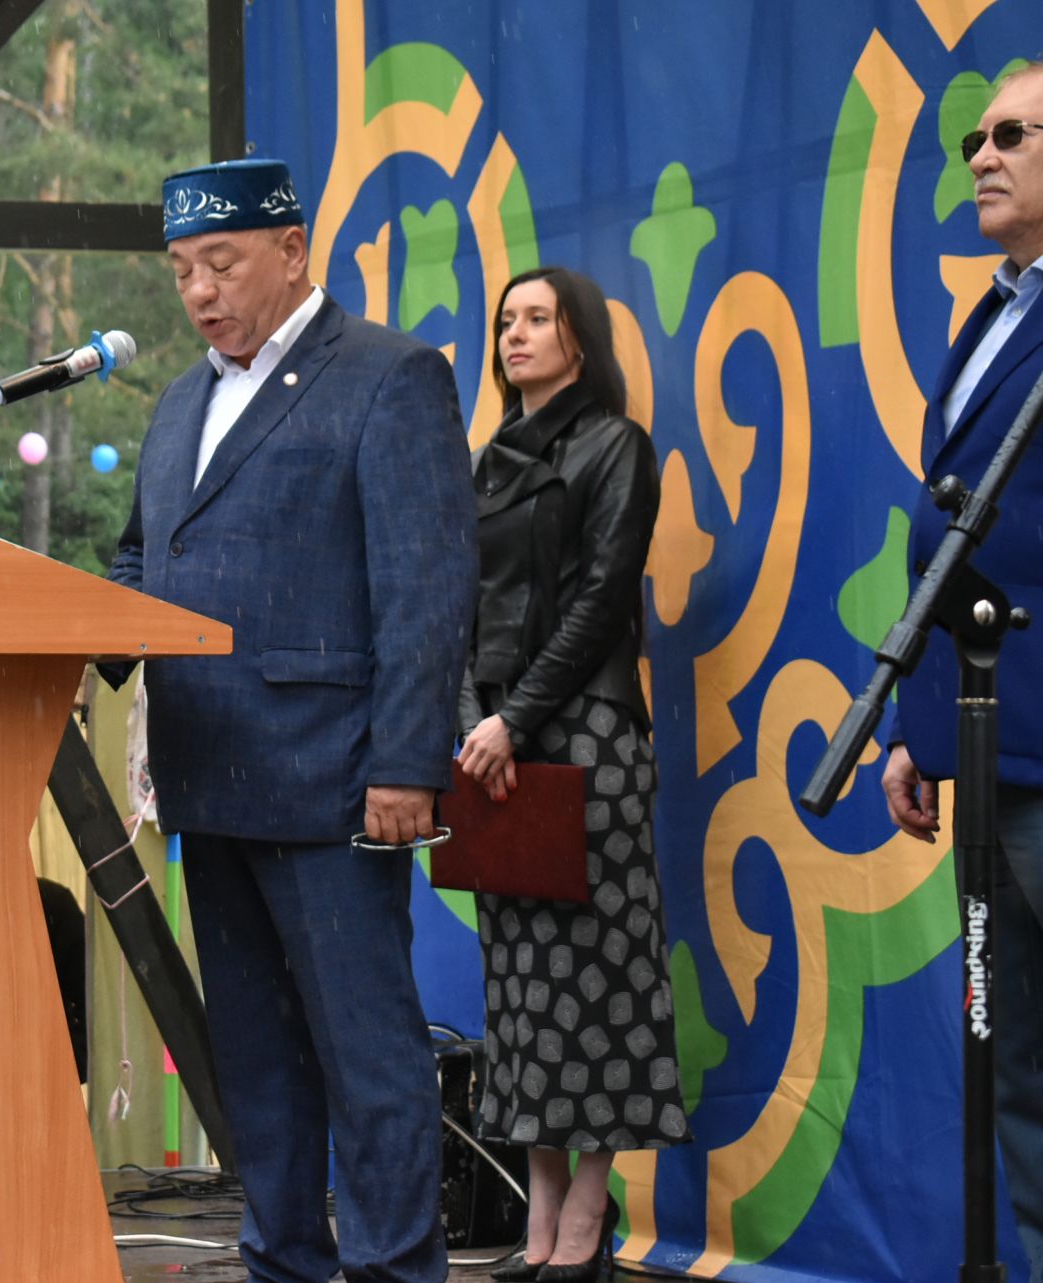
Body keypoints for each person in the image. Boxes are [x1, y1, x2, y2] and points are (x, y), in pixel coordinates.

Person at [106, 158, 477, 1283]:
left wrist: (409, 761)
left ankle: (393, 1268)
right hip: (209, 779)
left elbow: (427, 586)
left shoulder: (387, 375)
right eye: (181, 271)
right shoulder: (180, 402)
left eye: (220, 262)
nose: (201, 291)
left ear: (293, 248)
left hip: (333, 781)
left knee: (367, 1058)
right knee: (257, 1063)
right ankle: (281, 1263)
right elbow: (140, 553)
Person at [456, 267, 689, 1282]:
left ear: (580, 341)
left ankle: (591, 1204)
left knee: (598, 977)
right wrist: (473, 716)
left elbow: (601, 601)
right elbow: (458, 602)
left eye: (537, 319)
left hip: (580, 731)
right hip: (494, 739)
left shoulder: (615, 447)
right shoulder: (485, 463)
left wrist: (515, 715)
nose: (515, 334)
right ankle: (542, 1208)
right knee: (521, 985)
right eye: (506, 320)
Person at [882, 57, 1043, 1283]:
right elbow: (952, 539)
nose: (982, 157)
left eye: (1012, 135)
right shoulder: (990, 315)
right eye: (977, 139)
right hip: (990, 742)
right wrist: (916, 729)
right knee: (1020, 1067)